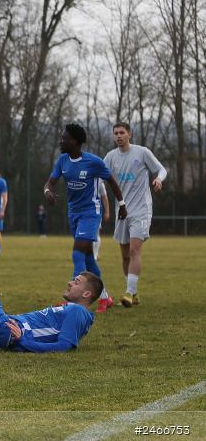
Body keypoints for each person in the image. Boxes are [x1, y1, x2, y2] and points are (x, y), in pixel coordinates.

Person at [43, 123, 127, 313]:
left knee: (77, 253)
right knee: (89, 260)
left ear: (74, 142)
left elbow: (112, 181)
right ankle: (105, 298)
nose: (61, 141)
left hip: (90, 213)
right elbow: (50, 182)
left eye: (64, 138)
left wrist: (121, 205)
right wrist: (48, 191)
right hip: (73, 213)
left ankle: (73, 303)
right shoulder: (62, 161)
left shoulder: (93, 162)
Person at [104, 122, 168, 307]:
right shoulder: (110, 157)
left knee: (134, 250)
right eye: (115, 133)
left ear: (129, 134)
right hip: (122, 211)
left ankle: (130, 293)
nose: (118, 136)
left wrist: (158, 178)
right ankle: (133, 290)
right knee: (124, 255)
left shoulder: (142, 152)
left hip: (141, 210)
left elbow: (162, 169)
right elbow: (99, 174)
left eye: (122, 132)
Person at [92, 180, 110, 260]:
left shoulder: (99, 182)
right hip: (84, 210)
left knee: (96, 233)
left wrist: (107, 212)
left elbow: (104, 197)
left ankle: (95, 255)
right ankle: (88, 254)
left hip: (96, 211)